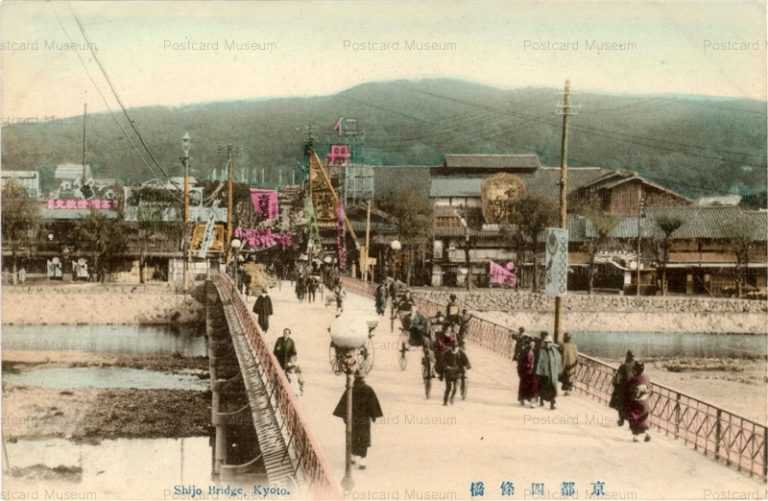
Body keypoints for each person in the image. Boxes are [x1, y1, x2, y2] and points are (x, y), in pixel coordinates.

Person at [332, 373, 384, 470]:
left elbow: (344, 404)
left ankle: (353, 457)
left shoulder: (350, 389)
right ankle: (363, 461)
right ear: (363, 379)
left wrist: (345, 417)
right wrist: (373, 416)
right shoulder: (368, 389)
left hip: (353, 419)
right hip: (364, 420)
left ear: (354, 379)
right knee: (364, 439)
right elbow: (372, 404)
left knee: (353, 436)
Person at [625, 362, 651, 442]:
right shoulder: (646, 377)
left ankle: (635, 437)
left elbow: (628, 390)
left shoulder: (633, 379)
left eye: (634, 370)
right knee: (642, 419)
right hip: (645, 404)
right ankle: (647, 433)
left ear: (636, 370)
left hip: (637, 404)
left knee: (632, 417)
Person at [610, 350, 637, 426]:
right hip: (633, 389)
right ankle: (631, 421)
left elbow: (618, 378)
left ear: (627, 356)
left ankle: (621, 420)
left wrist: (615, 384)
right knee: (631, 406)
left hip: (623, 389)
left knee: (620, 404)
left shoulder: (623, 366)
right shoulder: (636, 365)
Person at [535, 333, 562, 410]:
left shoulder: (555, 352)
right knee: (543, 388)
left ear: (551, 343)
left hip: (553, 374)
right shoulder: (542, 351)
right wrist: (538, 372)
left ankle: (552, 404)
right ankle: (541, 400)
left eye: (549, 342)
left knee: (553, 389)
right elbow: (539, 362)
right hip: (545, 374)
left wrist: (558, 372)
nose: (547, 344)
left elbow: (558, 361)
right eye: (546, 343)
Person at [517, 338, 539, 407]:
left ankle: (532, 401)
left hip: (532, 372)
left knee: (533, 386)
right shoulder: (525, 351)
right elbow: (520, 362)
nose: (533, 345)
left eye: (534, 344)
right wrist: (527, 365)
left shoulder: (534, 351)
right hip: (526, 371)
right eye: (531, 344)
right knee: (524, 385)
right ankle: (522, 399)